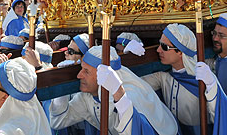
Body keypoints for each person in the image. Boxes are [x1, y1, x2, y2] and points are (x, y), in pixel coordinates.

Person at [50, 45, 179, 134]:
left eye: (86, 71)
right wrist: (60, 90)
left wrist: (118, 94)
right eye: (81, 69)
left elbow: (139, 131)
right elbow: (58, 122)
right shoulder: (87, 97)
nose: (79, 75)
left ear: (104, 77)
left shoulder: (131, 95)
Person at [141, 23, 227, 134]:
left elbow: (222, 114)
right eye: (159, 45)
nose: (158, 50)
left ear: (180, 52)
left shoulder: (203, 79)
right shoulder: (163, 78)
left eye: (164, 47)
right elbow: (133, 84)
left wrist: (211, 85)